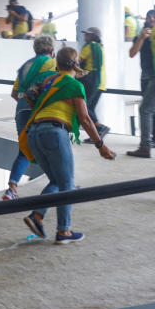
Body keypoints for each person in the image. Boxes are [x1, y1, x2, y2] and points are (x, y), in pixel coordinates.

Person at [19, 47, 116, 244]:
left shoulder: (48, 81)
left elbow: (30, 96)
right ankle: (64, 231)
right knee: (67, 183)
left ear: (58, 63)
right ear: (76, 62)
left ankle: (37, 216)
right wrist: (100, 145)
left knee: (57, 180)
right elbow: (86, 119)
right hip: (54, 132)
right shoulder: (73, 84)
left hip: (34, 133)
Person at [3, 36, 57, 200]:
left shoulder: (25, 66)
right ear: (52, 50)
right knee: (56, 147)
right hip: (39, 110)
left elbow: (14, 93)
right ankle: (65, 183)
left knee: (24, 151)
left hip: (21, 109)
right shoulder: (52, 64)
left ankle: (12, 189)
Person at [127, 9, 155, 158]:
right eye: (149, 16)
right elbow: (132, 53)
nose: (151, 19)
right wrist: (142, 38)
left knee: (154, 109)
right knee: (149, 109)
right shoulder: (141, 36)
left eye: (153, 16)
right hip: (146, 77)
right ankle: (149, 140)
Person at [78, 27, 111, 142]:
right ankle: (97, 133)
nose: (85, 36)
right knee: (90, 107)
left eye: (87, 34)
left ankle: (100, 127)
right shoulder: (100, 47)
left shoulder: (89, 45)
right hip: (101, 82)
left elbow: (78, 60)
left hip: (91, 81)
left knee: (84, 107)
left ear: (93, 36)